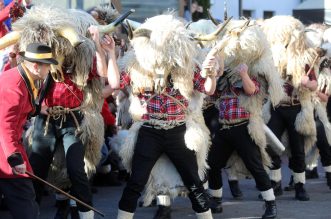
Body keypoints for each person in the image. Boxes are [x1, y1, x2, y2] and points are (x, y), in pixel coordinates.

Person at [109, 14, 220, 219]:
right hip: (150, 130)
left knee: (194, 183)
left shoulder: (187, 66)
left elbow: (207, 89)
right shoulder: (138, 64)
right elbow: (116, 84)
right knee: (136, 182)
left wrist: (211, 73)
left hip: (178, 130)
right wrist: (107, 53)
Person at [0, 42, 57, 219]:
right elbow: (4, 125)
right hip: (5, 152)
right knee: (24, 200)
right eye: (47, 66)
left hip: (6, 147)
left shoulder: (21, 76)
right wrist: (15, 158)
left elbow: (18, 108)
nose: (49, 70)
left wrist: (36, 108)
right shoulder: (15, 86)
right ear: (35, 66)